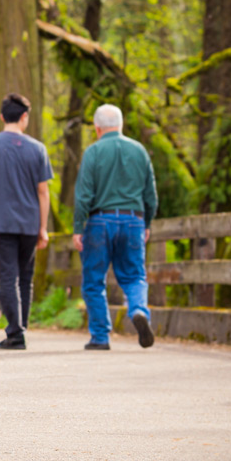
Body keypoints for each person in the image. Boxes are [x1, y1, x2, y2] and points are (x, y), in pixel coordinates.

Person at [0, 93, 54, 349]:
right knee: (25, 278)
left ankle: (16, 333)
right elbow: (43, 192)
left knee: (8, 277)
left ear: (1, 116)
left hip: (3, 224)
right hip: (30, 224)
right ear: (24, 116)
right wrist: (43, 227)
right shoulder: (38, 148)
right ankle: (21, 329)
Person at [72, 104, 158, 350]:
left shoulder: (93, 152)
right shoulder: (139, 150)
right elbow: (151, 195)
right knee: (134, 276)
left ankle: (100, 336)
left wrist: (78, 227)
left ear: (97, 128)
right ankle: (139, 310)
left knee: (94, 280)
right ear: (121, 125)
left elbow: (83, 195)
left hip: (100, 221)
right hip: (133, 220)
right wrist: (147, 222)